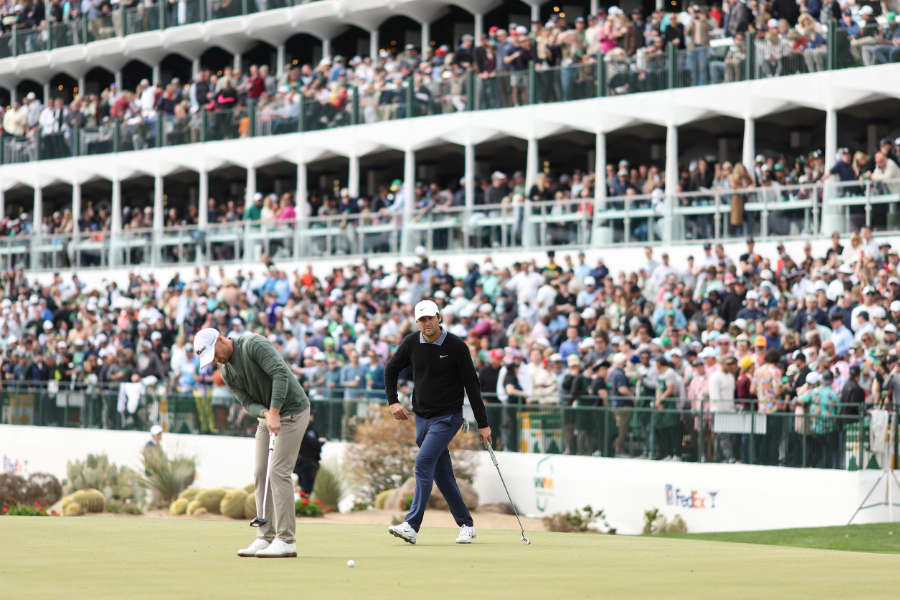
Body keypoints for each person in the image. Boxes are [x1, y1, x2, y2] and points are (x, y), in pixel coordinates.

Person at [193, 327, 311, 559]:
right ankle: (265, 536)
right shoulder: (225, 371)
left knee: (278, 471)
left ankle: (286, 540)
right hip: (268, 417)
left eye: (213, 353)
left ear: (220, 339)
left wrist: (275, 410)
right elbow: (247, 402)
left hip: (294, 411)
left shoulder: (253, 344)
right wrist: (267, 414)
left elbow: (280, 373)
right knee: (260, 472)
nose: (215, 360)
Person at [384, 300, 491, 545]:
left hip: (448, 418)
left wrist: (483, 424)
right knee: (442, 475)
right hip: (421, 417)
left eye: (430, 318)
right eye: (421, 319)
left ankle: (412, 525)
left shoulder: (456, 346)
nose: (426, 323)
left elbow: (472, 387)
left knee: (423, 463)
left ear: (439, 317)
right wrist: (393, 401)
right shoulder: (412, 342)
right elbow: (391, 369)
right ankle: (466, 524)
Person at [293, 412, 325, 496]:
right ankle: (303, 504)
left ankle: (304, 504)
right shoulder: (302, 429)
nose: (311, 418)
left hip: (311, 462)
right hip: (304, 462)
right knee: (304, 487)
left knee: (307, 488)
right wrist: (319, 443)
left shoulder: (311, 430)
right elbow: (312, 444)